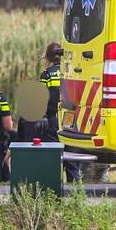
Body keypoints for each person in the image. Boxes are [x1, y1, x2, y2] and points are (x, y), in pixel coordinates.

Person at [39, 41, 80, 182]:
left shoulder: (46, 75)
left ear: (48, 57)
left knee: (54, 153)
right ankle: (74, 185)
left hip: (53, 117)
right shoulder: (72, 70)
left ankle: (53, 184)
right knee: (71, 150)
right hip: (70, 116)